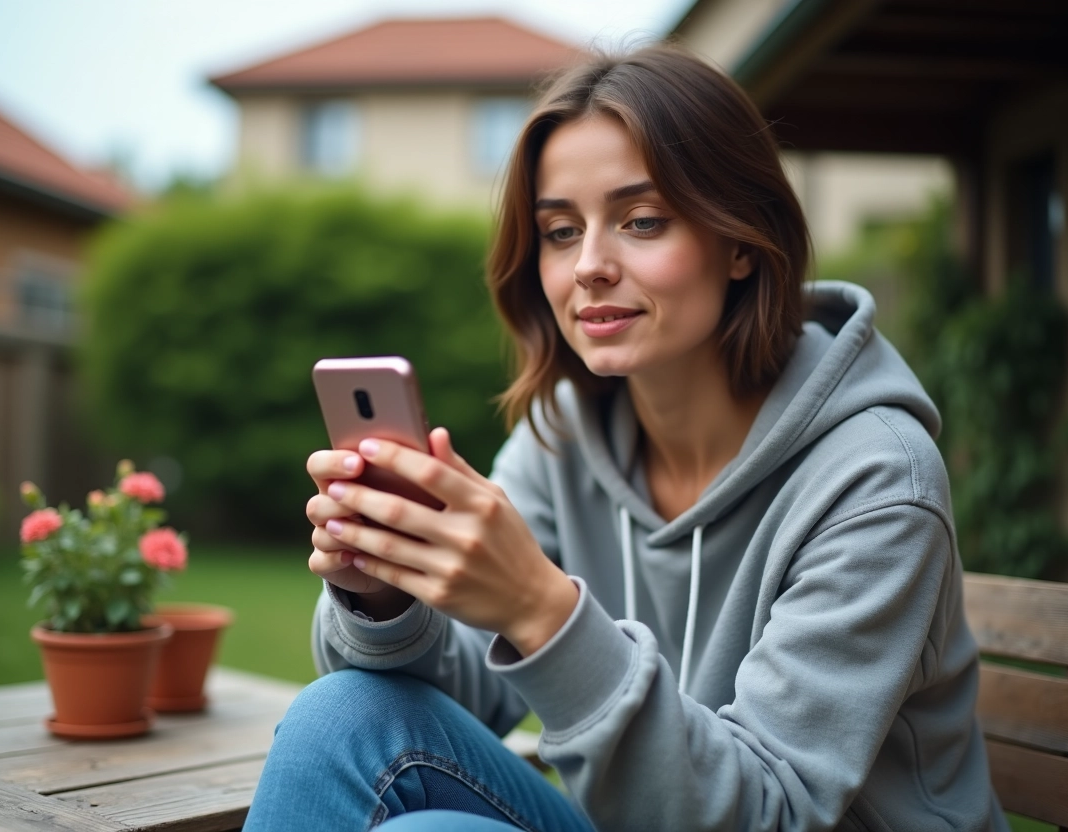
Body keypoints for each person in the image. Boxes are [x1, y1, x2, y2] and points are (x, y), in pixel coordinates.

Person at [244, 44, 1007, 832]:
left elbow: (767, 814)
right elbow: (454, 695)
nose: (589, 266)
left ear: (742, 242)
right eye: (560, 230)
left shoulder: (877, 480)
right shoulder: (564, 439)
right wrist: (385, 594)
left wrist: (540, 609)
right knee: (339, 716)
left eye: (641, 221)